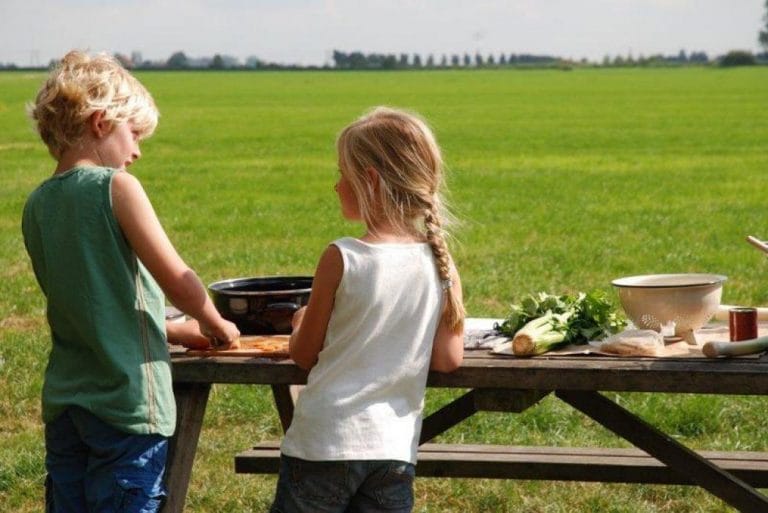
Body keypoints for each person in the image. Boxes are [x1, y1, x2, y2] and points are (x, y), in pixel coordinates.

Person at [21, 50, 240, 513]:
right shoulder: (116, 188)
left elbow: (94, 304)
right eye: (134, 134)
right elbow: (178, 278)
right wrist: (215, 322)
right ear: (102, 122)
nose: (137, 151)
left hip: (67, 404)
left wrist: (178, 331)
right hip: (126, 405)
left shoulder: (37, 204)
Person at [270, 106, 465, 513]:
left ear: (370, 181)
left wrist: (301, 321)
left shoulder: (343, 256)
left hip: (323, 444)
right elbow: (448, 359)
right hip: (393, 451)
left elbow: (304, 354)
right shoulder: (440, 261)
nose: (336, 185)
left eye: (343, 174)